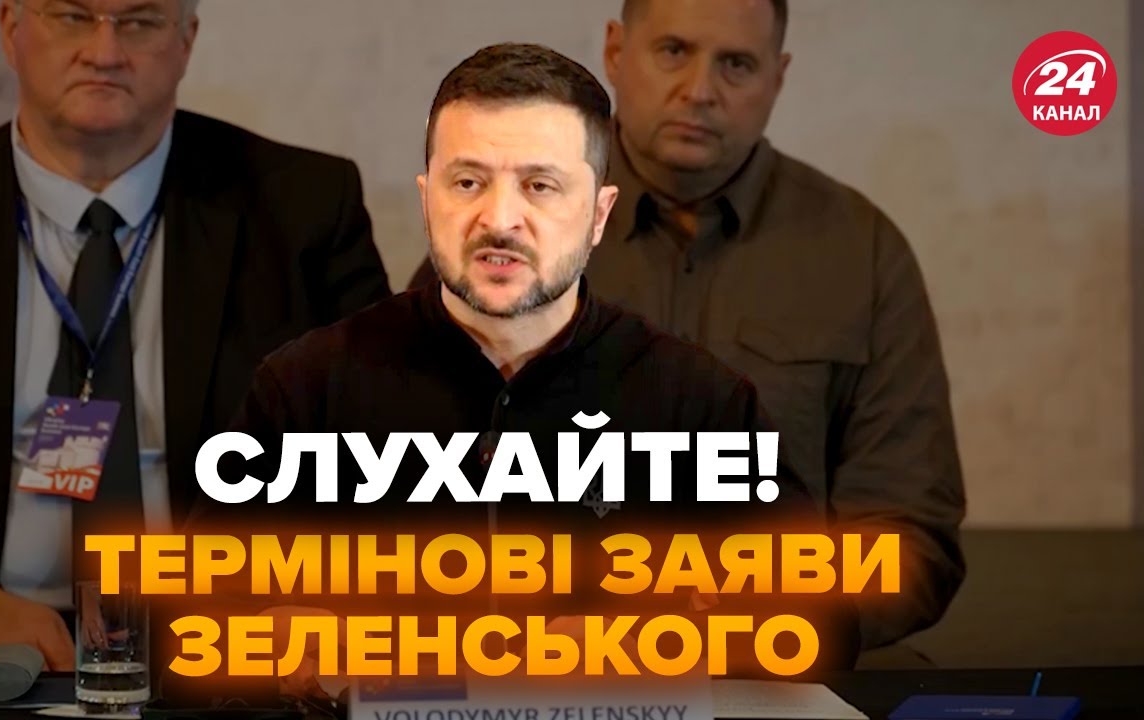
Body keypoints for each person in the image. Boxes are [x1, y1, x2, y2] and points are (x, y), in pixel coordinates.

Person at [191, 43, 860, 696]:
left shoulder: (698, 403)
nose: (500, 219)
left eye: (540, 186)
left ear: (598, 214)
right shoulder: (307, 388)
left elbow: (823, 623)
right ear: (427, 199)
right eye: (468, 182)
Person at [406, 0, 969, 658]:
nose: (700, 91)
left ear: (777, 78)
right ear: (616, 52)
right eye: (673, 51)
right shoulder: (495, 236)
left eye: (736, 64)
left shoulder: (860, 252)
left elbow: (909, 534)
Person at [0, 0, 390, 671]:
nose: (105, 52)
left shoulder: (305, 212)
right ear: (10, 28)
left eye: (139, 21)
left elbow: (388, 458)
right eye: (72, 16)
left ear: (186, 40)